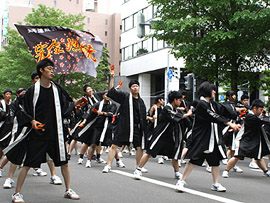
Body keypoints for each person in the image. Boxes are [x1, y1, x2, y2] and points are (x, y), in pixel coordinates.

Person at [5, 59, 80, 202]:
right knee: (27, 164)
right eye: (49, 68)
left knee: (64, 162)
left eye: (53, 68)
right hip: (38, 133)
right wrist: (31, 121)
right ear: (41, 70)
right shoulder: (33, 90)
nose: (52, 71)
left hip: (55, 133)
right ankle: (17, 193)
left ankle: (68, 189)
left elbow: (65, 109)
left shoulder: (57, 90)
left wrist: (74, 104)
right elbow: (21, 109)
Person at [176, 81, 241, 192]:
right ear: (207, 90)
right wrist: (229, 123)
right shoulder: (202, 104)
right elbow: (214, 116)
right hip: (202, 136)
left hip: (213, 136)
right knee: (194, 159)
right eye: (212, 90)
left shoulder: (212, 103)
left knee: (215, 161)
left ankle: (215, 183)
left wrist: (236, 111)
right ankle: (181, 180)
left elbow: (223, 109)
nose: (214, 92)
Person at [134, 91, 192, 179]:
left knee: (174, 155)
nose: (181, 102)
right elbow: (176, 116)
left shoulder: (175, 109)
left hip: (170, 136)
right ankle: (138, 170)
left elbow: (180, 116)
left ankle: (176, 172)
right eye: (180, 100)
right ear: (175, 100)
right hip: (160, 135)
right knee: (149, 152)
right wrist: (188, 113)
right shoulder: (167, 108)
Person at [102, 68, 147, 173]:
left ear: (139, 87)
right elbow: (112, 92)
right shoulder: (125, 97)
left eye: (136, 86)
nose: (135, 88)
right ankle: (108, 165)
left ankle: (138, 166)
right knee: (114, 145)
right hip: (123, 126)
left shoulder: (141, 102)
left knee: (139, 147)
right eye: (133, 86)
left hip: (136, 128)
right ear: (130, 89)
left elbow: (142, 116)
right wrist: (112, 78)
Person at [222, 99, 270, 178]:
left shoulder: (253, 116)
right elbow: (263, 121)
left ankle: (266, 171)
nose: (261, 112)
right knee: (237, 156)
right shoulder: (250, 116)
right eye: (260, 110)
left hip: (254, 140)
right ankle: (226, 170)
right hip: (244, 139)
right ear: (255, 108)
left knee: (258, 156)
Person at [0, 89, 13, 178]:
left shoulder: (12, 104)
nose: (8, 96)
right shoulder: (1, 103)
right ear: (4, 95)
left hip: (10, 128)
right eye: (7, 94)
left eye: (10, 94)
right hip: (2, 127)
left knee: (8, 147)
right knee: (2, 147)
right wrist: (5, 115)